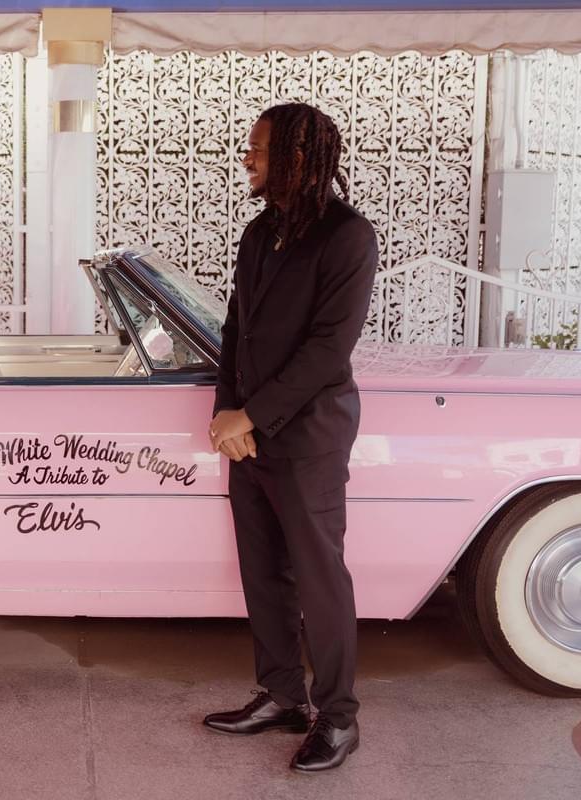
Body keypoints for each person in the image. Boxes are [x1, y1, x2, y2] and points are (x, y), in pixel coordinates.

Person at [201, 103, 378, 772]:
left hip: (309, 438)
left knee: (318, 576)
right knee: (263, 575)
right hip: (249, 437)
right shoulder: (259, 231)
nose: (247, 158)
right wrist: (227, 415)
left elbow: (329, 348)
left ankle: (337, 718)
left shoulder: (348, 236)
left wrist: (252, 415)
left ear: (298, 158)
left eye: (259, 150)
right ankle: (281, 698)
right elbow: (234, 330)